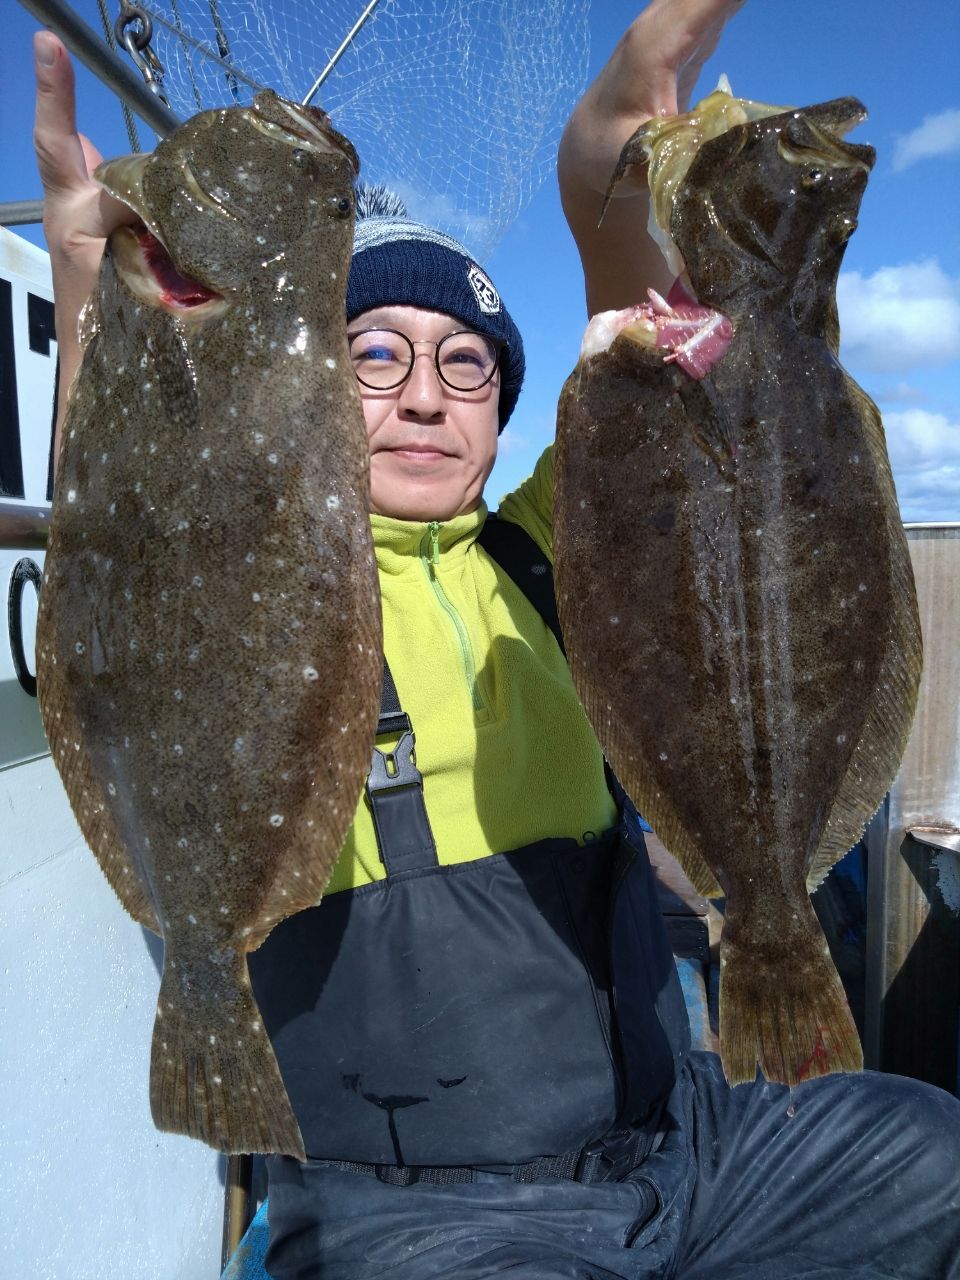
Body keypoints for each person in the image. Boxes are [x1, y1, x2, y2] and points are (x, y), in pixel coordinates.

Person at [33, 3, 960, 1277]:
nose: (424, 393)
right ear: (306, 371)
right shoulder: (258, 551)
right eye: (376, 353)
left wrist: (606, 167)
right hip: (424, 1211)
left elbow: (667, 342)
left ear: (502, 410)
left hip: (671, 1140)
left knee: (935, 1156)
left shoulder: (548, 543)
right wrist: (100, 302)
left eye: (467, 365)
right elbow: (132, 544)